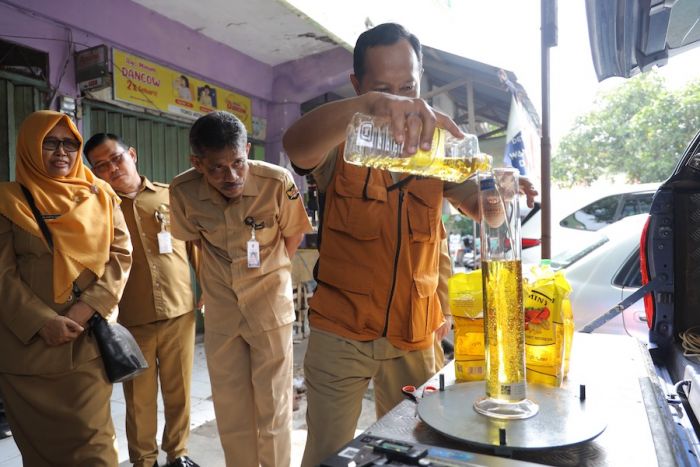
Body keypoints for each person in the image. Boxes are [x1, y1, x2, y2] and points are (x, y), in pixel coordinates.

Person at [282, 23, 538, 466]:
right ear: (357, 84)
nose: (401, 98)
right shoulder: (339, 138)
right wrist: (372, 107)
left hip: (416, 334)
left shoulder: (439, 141)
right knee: (327, 454)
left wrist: (499, 191)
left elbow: (484, 211)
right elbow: (296, 145)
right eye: (384, 88)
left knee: (420, 450)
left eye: (408, 87)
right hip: (341, 330)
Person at [169, 111, 313, 466]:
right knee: (231, 406)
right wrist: (215, 282)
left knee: (274, 405)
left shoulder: (276, 182)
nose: (230, 175)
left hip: (269, 306)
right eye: (217, 167)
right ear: (198, 163)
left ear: (247, 150)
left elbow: (293, 234)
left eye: (238, 162)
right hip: (222, 310)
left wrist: (269, 271)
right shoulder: (183, 190)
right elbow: (196, 242)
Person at [0, 110, 132, 466]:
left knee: (95, 450)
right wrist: (42, 321)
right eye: (50, 143)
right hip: (27, 353)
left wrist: (84, 309)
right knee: (40, 455)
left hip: (84, 342)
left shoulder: (101, 194)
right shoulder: (6, 200)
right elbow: (2, 274)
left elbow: (120, 257)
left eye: (70, 143)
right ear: (29, 146)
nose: (62, 152)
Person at [84, 133, 201, 467]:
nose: (112, 169)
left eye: (116, 158)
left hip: (179, 311)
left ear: (132, 154)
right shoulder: (99, 210)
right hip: (131, 320)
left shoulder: (169, 196)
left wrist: (207, 287)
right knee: (139, 400)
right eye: (101, 166)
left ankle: (178, 454)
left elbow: (194, 244)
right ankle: (144, 460)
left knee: (180, 393)